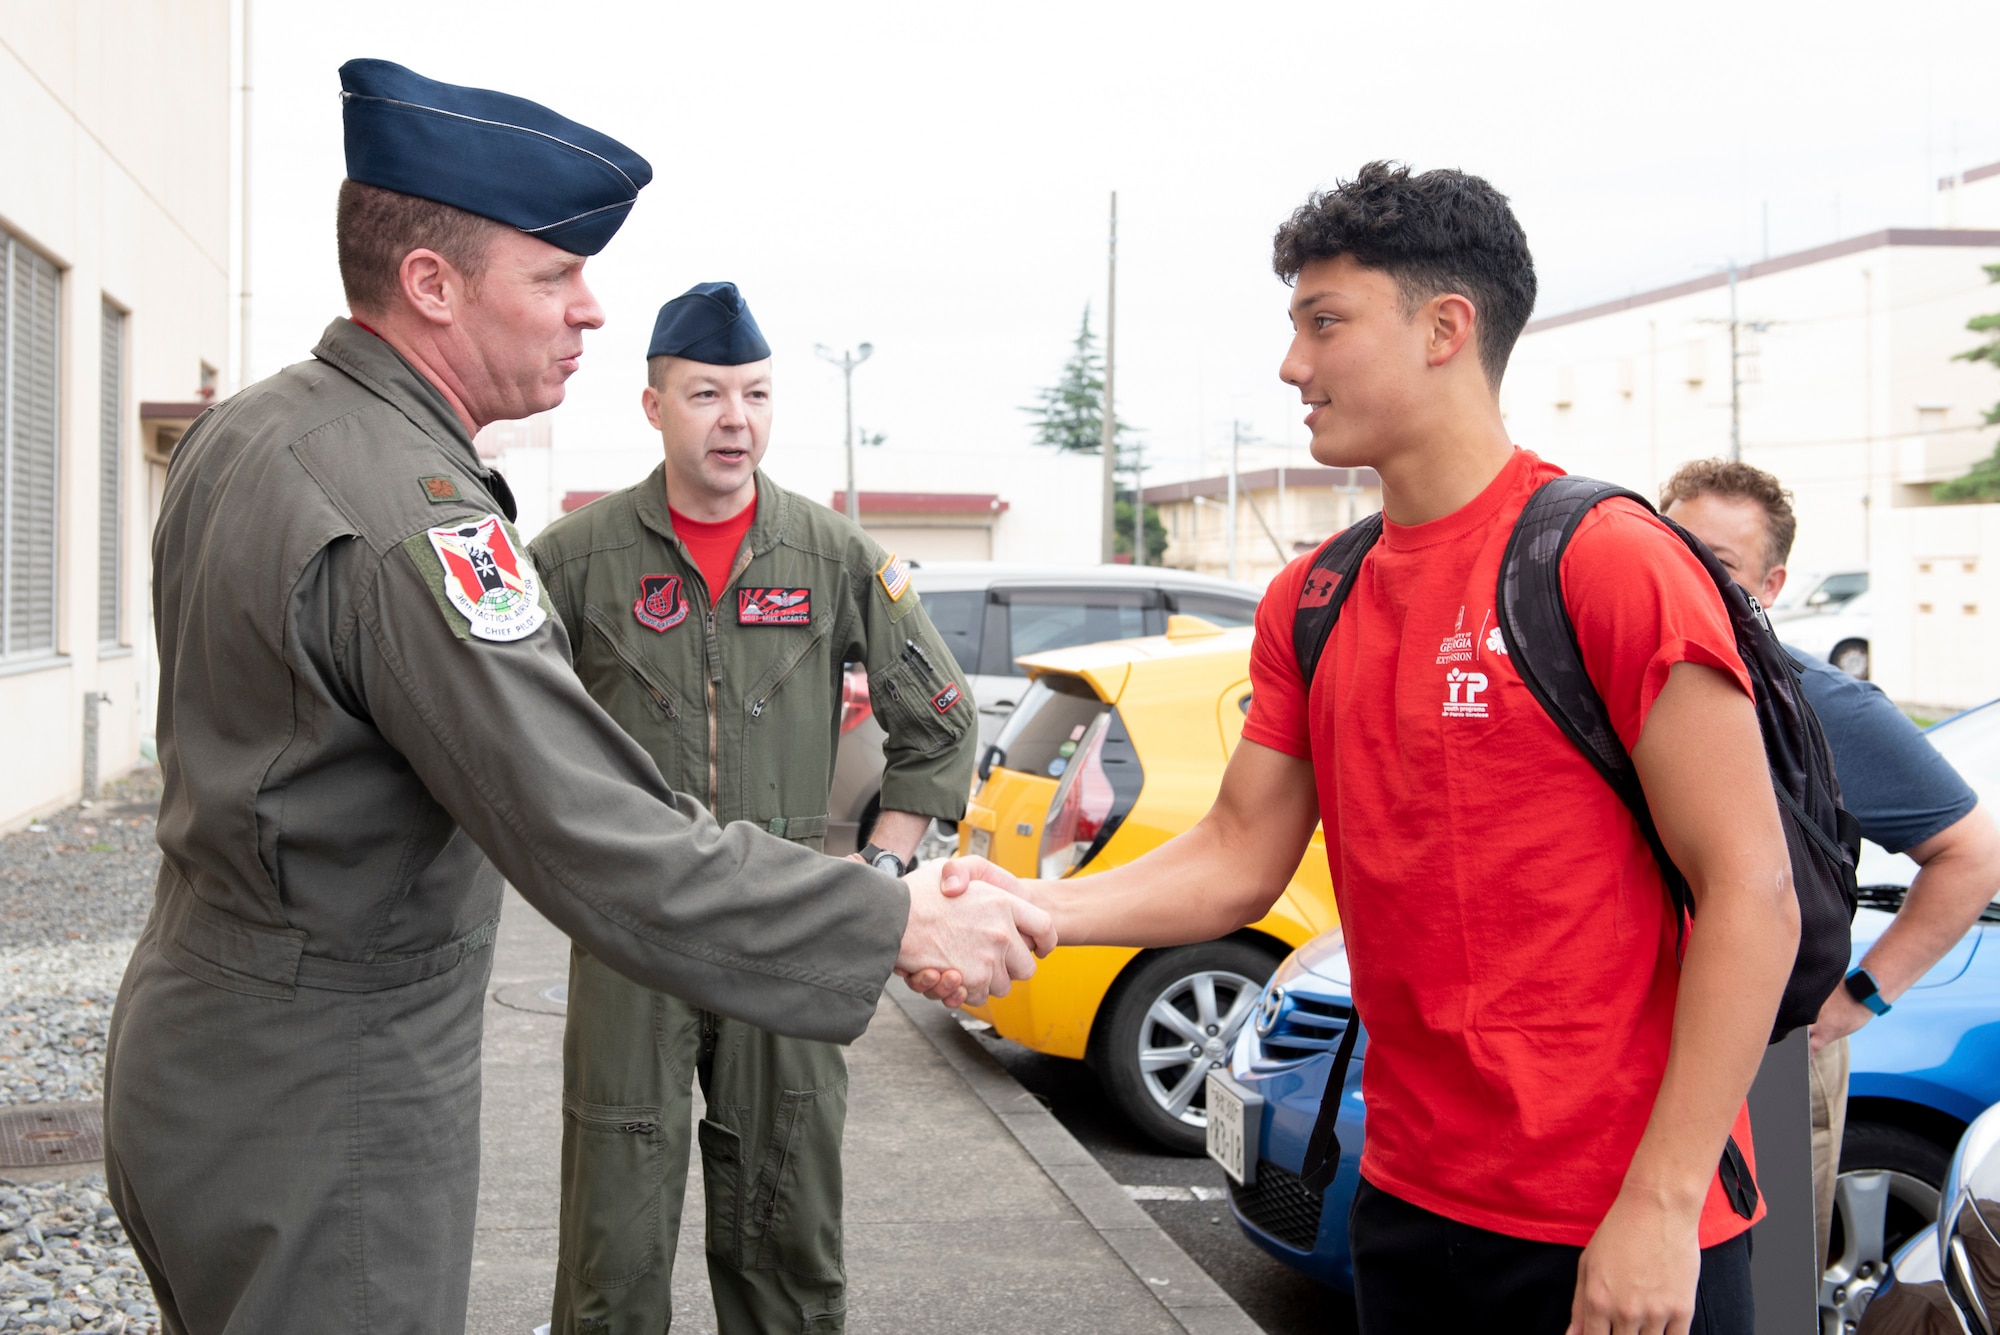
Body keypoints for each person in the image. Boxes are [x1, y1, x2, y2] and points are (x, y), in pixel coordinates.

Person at [103, 59, 1046, 1335]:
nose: (589, 313)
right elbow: (588, 830)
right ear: (430, 286)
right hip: (330, 1101)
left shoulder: (258, 431)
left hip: (209, 1042)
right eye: (551, 277)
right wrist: (889, 921)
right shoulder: (410, 517)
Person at [948, 163, 1799, 1334]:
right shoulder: (1315, 597)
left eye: (1323, 323)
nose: (1293, 365)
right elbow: (1239, 851)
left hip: (1612, 1219)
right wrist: (1034, 909)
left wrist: (1659, 1203)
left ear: (1445, 327)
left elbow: (1750, 892)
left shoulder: (1602, 559)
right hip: (1404, 1196)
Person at [529, 281, 979, 1333]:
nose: (735, 419)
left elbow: (942, 722)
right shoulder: (576, 561)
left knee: (787, 1223)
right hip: (633, 924)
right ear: (652, 407)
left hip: (786, 923)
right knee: (612, 1231)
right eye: (704, 395)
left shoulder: (833, 557)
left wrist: (877, 873)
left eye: (756, 394)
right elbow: (494, 719)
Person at [1660, 458, 2000, 1267]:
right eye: (1673, 549)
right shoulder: (1617, 677)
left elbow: (1971, 853)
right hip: (1642, 1049)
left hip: (1772, 1055)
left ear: (1771, 585)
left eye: (1722, 565)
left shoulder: (1817, 702)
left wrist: (1859, 998)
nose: (1690, 577)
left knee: (1767, 1288)